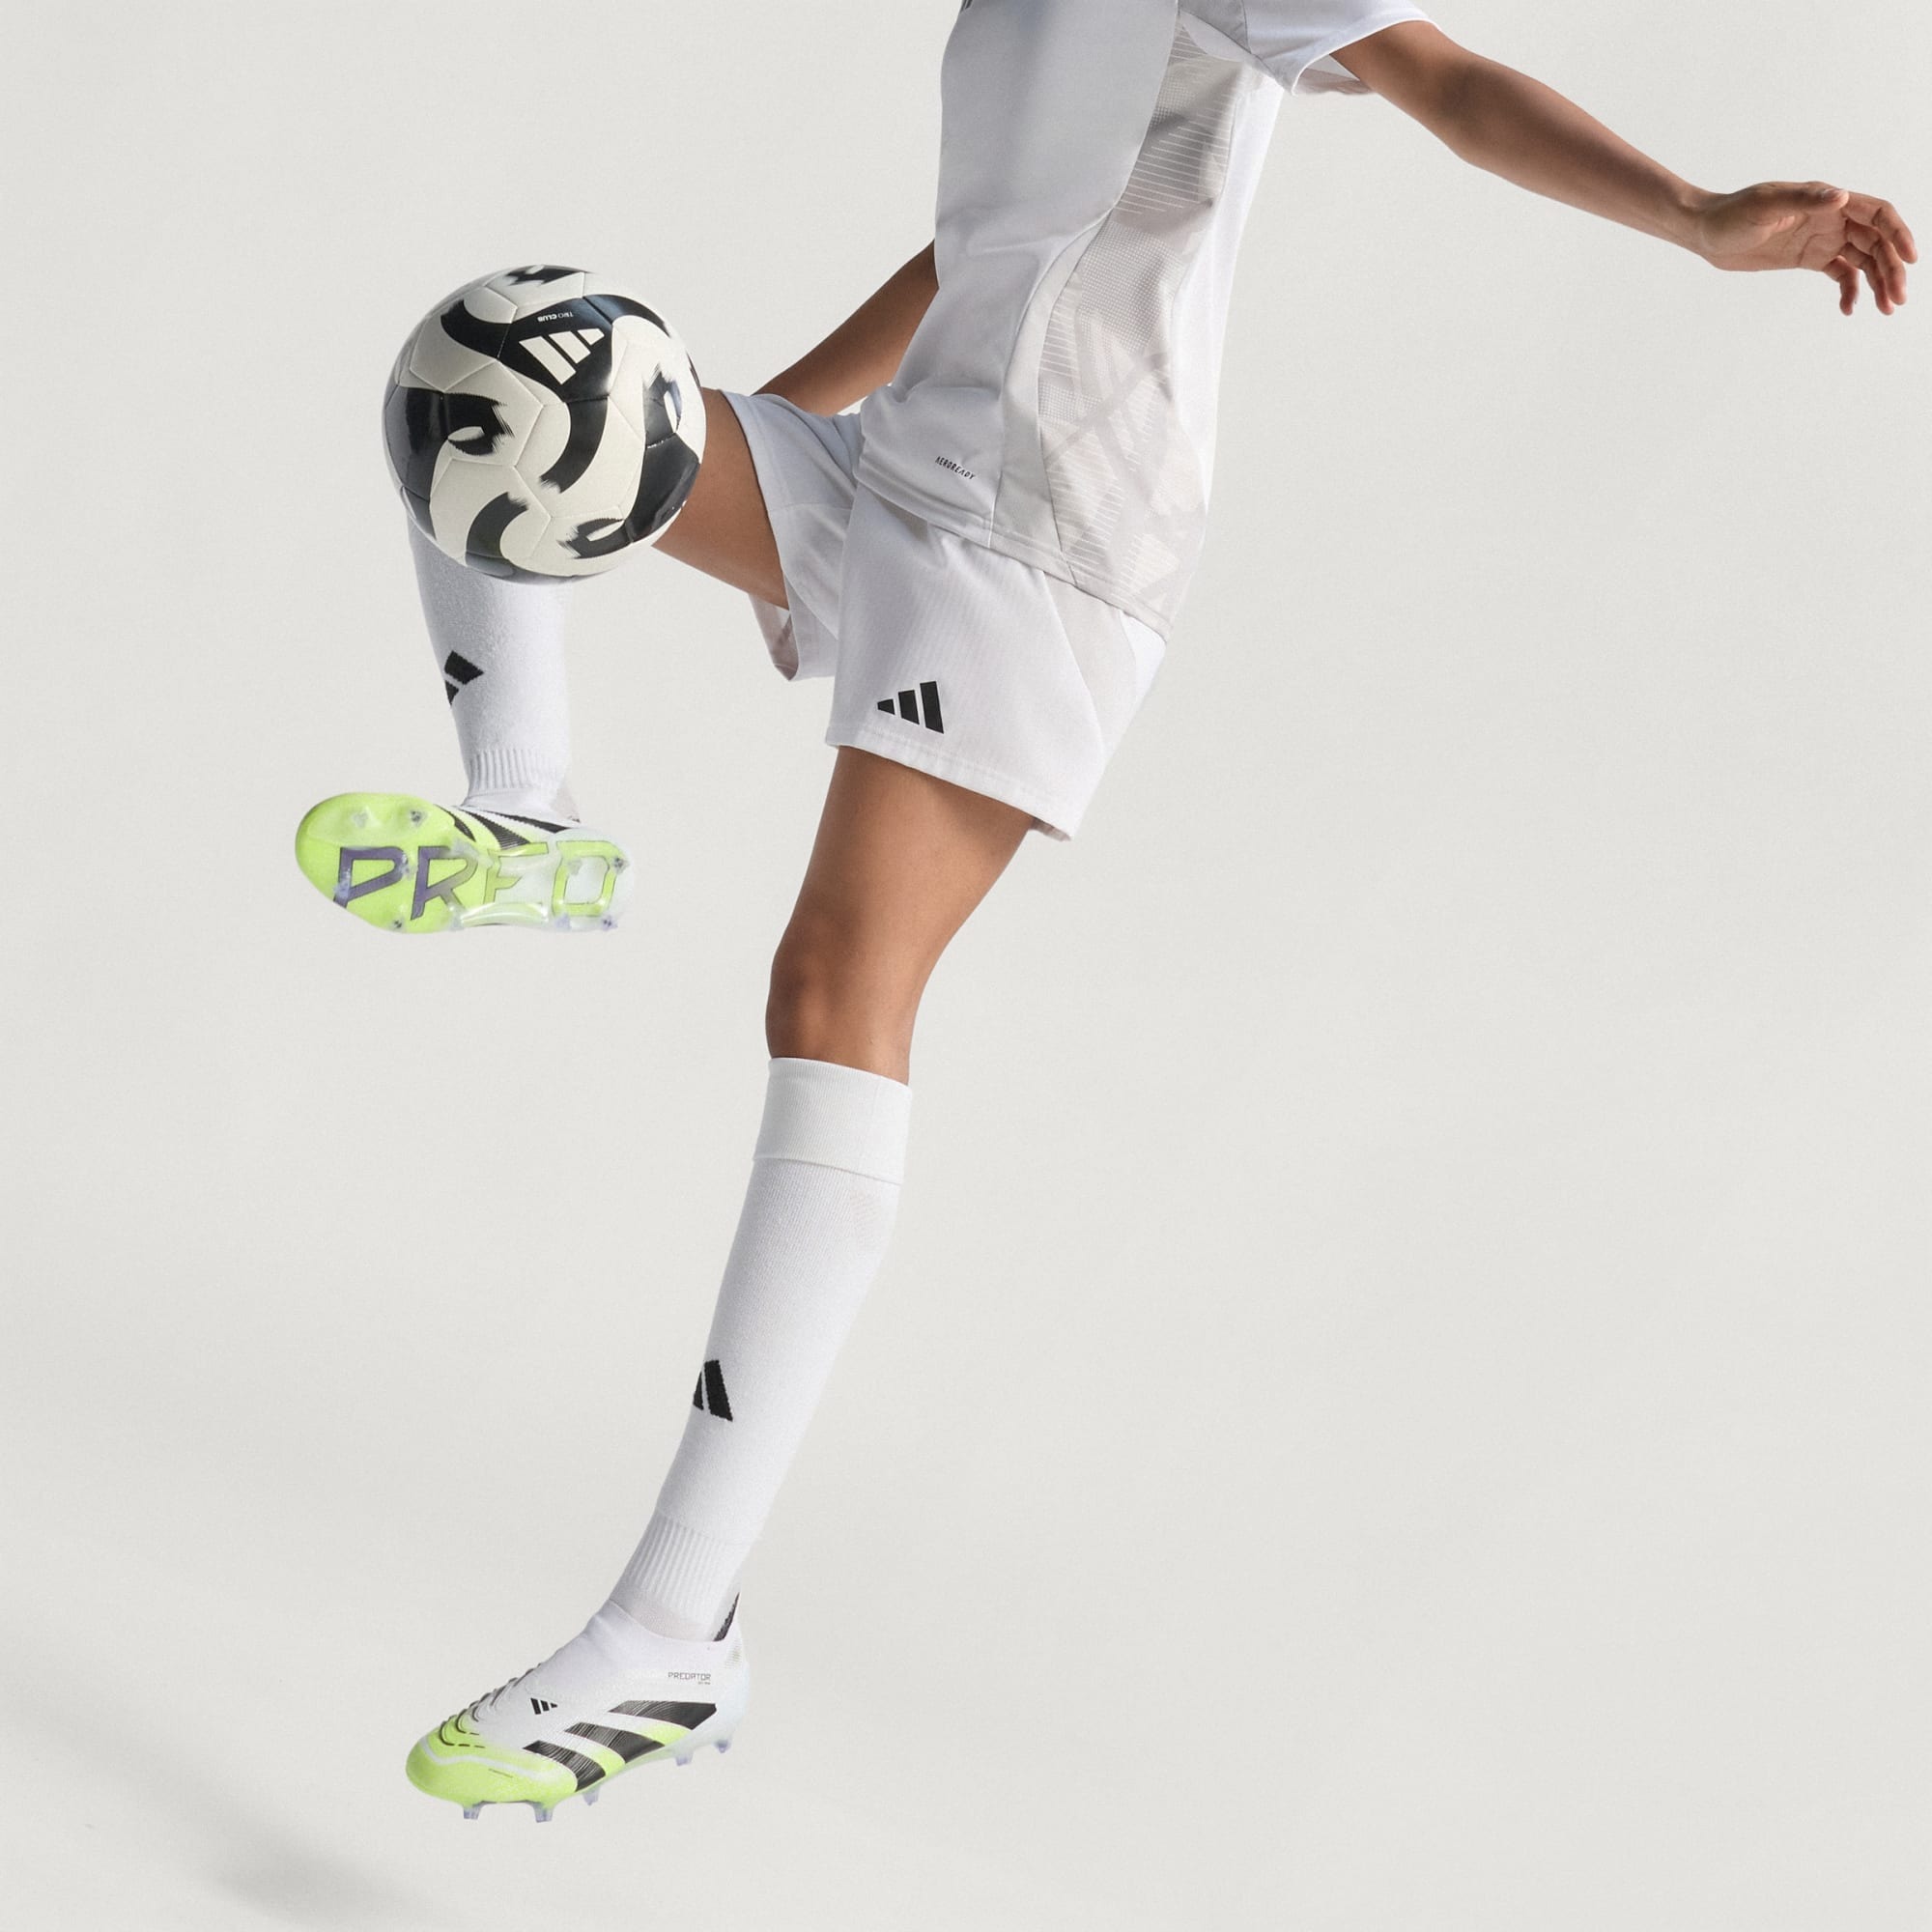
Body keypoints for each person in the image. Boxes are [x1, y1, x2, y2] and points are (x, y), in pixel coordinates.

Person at [294, 1, 1914, 1822]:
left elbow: (1450, 85)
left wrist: (1698, 215)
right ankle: (525, 820)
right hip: (908, 460)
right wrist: (741, 432)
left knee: (835, 989)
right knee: (513, 377)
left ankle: (677, 1627)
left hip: (1049, 532)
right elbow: (986, 243)